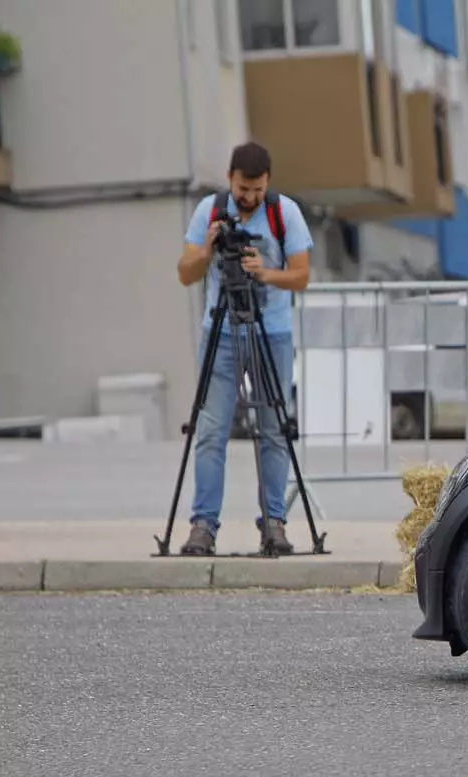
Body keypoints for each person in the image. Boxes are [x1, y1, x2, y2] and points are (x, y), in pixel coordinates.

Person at [176, 141, 314, 556]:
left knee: (274, 431)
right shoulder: (210, 211)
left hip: (271, 332)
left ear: (267, 182)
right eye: (242, 189)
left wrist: (264, 272)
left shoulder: (284, 212)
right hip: (221, 333)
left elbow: (303, 276)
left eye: (256, 190)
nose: (249, 198)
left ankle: (274, 523)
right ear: (231, 179)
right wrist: (207, 249)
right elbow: (185, 273)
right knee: (211, 430)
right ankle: (203, 526)